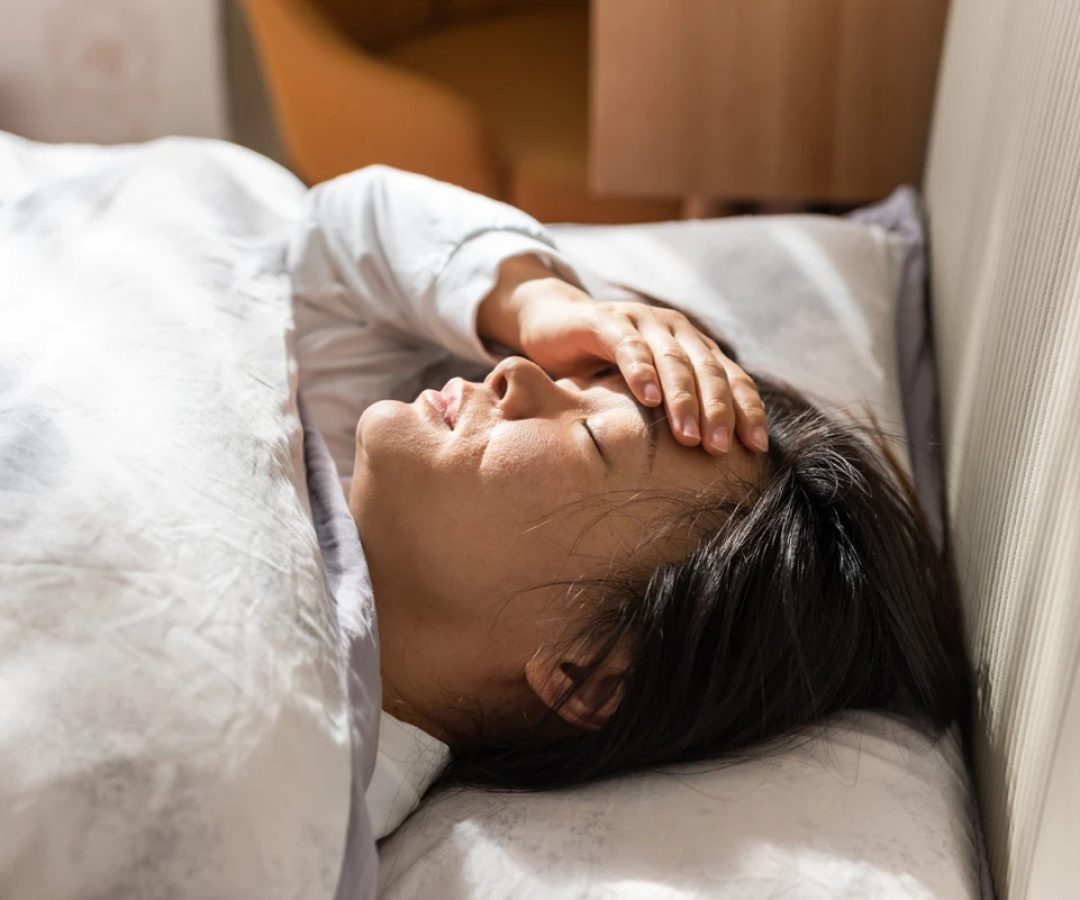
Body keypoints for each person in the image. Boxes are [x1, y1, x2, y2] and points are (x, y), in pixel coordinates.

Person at [288, 166, 969, 838]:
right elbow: (332, 235)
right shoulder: (334, 460)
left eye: (587, 435)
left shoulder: (297, 784)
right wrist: (538, 303)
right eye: (573, 379)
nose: (516, 372)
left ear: (586, 671)